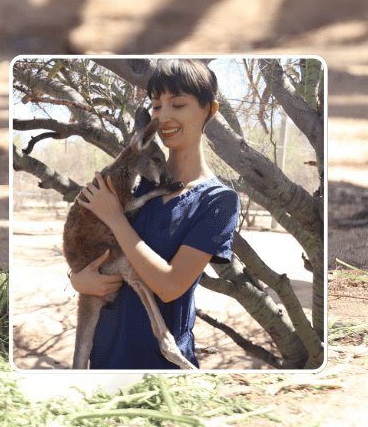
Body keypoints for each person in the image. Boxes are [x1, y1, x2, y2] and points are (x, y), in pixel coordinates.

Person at [70, 59, 240, 369]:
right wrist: (79, 279)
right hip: (106, 356)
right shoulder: (138, 185)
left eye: (178, 104)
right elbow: (94, 244)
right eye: (156, 106)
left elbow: (170, 285)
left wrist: (116, 218)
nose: (164, 116)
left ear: (209, 110)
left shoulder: (218, 201)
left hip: (160, 364)